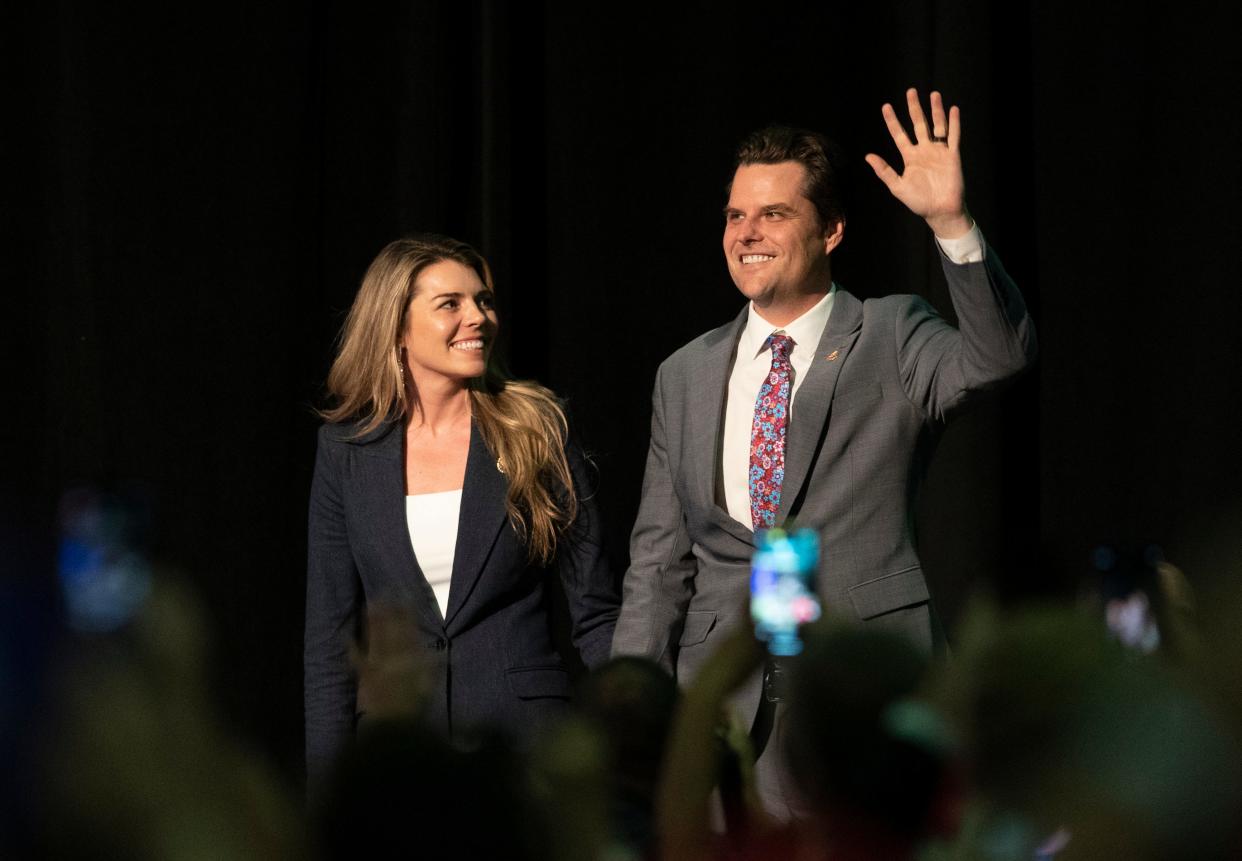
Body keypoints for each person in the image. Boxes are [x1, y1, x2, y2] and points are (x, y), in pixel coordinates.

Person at [612, 89, 1038, 816]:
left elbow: (997, 356)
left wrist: (951, 224)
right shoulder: (682, 373)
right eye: (736, 215)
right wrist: (624, 708)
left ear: (832, 229)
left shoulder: (892, 332)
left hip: (865, 700)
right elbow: (657, 564)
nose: (747, 232)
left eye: (774, 214)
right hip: (722, 711)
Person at [304, 234, 619, 794]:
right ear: (396, 326)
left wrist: (633, 748)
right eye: (450, 303)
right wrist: (328, 806)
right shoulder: (345, 452)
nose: (478, 317)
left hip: (526, 753)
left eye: (484, 301)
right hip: (397, 761)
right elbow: (330, 645)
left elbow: (596, 611)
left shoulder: (538, 431)